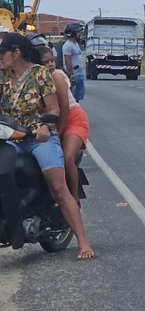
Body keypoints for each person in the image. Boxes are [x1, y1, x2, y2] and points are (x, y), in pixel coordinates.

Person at [0, 33, 95, 260]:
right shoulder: (2, 77)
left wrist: (44, 126)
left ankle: (83, 242)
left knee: (59, 190)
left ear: (16, 53)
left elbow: (54, 110)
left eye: (3, 53)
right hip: (11, 138)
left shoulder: (40, 74)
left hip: (38, 138)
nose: (0, 57)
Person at [35, 39, 90, 206]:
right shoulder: (35, 79)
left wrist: (58, 132)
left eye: (52, 60)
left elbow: (64, 108)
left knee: (66, 157)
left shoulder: (57, 76)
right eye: (46, 62)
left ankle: (73, 198)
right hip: (53, 121)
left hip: (72, 118)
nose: (51, 64)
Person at [61, 22, 86, 102]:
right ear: (73, 33)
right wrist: (71, 75)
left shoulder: (75, 44)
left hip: (79, 75)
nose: (80, 34)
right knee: (73, 99)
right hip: (74, 75)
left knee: (77, 98)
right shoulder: (68, 46)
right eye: (78, 32)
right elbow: (67, 61)